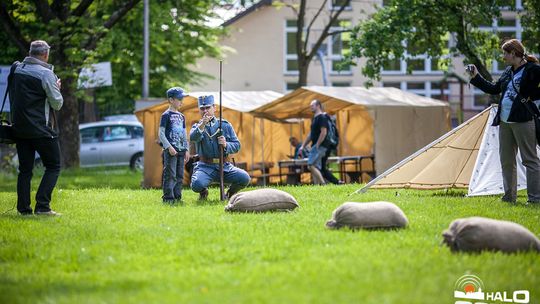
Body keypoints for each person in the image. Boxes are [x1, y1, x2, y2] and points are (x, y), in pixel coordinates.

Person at [467, 38, 540, 204]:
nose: (503, 57)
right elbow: (494, 88)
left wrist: (530, 97)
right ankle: (509, 197)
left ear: (513, 53)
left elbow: (535, 92)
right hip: (505, 121)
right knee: (507, 161)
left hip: (523, 120)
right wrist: (476, 76)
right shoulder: (508, 71)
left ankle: (535, 199)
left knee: (530, 160)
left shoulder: (533, 69)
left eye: (505, 53)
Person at [9, 40, 63, 216]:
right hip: (41, 129)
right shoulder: (46, 74)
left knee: (25, 170)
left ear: (30, 52)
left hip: (20, 129)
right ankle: (42, 206)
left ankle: (24, 209)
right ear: (46, 54)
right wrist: (57, 88)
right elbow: (57, 104)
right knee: (54, 166)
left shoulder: (17, 69)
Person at [189, 95, 251, 200]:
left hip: (224, 166)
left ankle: (230, 193)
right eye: (202, 108)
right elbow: (193, 138)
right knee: (196, 184)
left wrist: (226, 144)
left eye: (208, 107)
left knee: (244, 178)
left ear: (214, 108)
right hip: (205, 167)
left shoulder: (225, 125)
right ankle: (203, 192)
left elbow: (237, 145)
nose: (205, 111)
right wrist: (202, 125)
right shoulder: (197, 127)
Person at [159, 87, 190, 203]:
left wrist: (187, 149)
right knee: (170, 174)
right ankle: (168, 197)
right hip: (171, 150)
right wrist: (169, 147)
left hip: (181, 150)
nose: (182, 101)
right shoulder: (165, 115)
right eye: (179, 99)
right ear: (171, 100)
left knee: (180, 175)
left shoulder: (182, 117)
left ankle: (177, 197)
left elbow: (184, 133)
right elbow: (161, 134)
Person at [299, 100, 341, 185]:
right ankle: (317, 185)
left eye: (312, 105)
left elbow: (324, 132)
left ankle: (323, 184)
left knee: (310, 165)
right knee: (316, 167)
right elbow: (311, 135)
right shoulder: (315, 118)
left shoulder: (322, 117)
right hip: (317, 145)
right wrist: (303, 146)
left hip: (321, 145)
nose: (310, 107)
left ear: (318, 105)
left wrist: (317, 144)